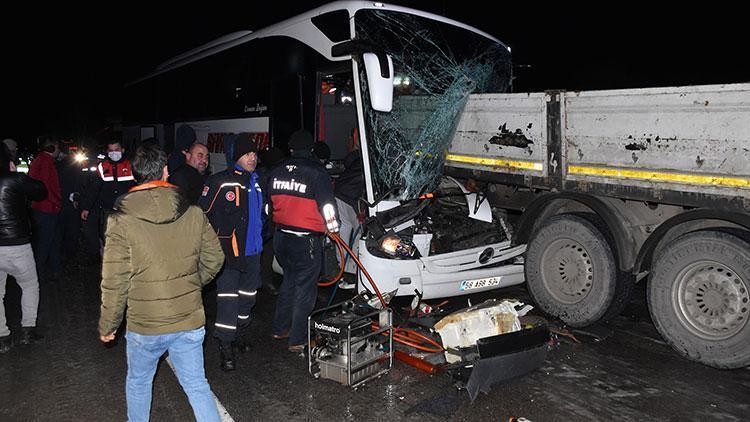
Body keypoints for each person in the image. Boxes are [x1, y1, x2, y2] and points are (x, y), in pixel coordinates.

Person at [98, 145, 224, 422]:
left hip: (146, 324)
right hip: (188, 319)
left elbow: (114, 280)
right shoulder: (192, 211)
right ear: (166, 171)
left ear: (134, 174)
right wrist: (190, 285)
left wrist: (109, 325)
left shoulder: (121, 220)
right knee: (196, 384)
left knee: (139, 382)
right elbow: (215, 258)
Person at [266, 130, 339, 353]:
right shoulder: (316, 172)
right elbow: (327, 206)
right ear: (311, 148)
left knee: (289, 281)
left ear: (291, 148)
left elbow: (268, 207)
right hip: (304, 240)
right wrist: (333, 229)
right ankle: (298, 339)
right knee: (305, 289)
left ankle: (279, 329)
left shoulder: (276, 170)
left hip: (281, 238)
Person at [199, 133, 264, 371]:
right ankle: (225, 345)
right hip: (228, 255)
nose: (253, 158)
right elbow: (201, 215)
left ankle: (238, 334)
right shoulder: (220, 182)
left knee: (248, 299)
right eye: (248, 154)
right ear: (237, 157)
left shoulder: (257, 181)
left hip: (253, 254)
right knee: (228, 301)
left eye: (255, 154)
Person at [0, 143, 47, 352]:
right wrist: (16, 174)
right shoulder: (15, 179)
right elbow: (40, 191)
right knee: (29, 285)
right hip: (17, 244)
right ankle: (28, 329)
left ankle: (2, 337)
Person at [79, 140, 136, 255]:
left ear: (122, 150)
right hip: (108, 210)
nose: (114, 153)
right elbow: (95, 188)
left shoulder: (131, 165)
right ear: (107, 152)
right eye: (111, 150)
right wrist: (87, 208)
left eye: (117, 150)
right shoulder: (102, 166)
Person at [334, 128, 365, 285]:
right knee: (358, 235)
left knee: (344, 231)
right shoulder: (368, 160)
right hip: (352, 198)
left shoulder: (354, 157)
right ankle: (352, 273)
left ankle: (343, 271)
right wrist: (361, 211)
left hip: (340, 193)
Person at [28, 136, 63, 281]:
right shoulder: (46, 163)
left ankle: (56, 269)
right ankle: (35, 275)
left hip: (42, 207)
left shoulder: (41, 160)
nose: (59, 150)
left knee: (51, 240)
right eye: (58, 147)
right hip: (46, 208)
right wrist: (57, 202)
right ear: (52, 148)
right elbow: (48, 187)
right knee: (45, 242)